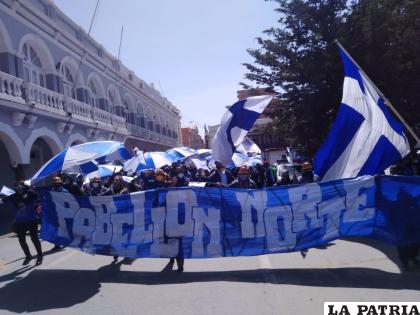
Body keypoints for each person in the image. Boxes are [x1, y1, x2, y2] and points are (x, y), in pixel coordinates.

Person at [1, 182, 43, 265]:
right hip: (20, 222)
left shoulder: (30, 193)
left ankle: (39, 256)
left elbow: (37, 196)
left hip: (31, 220)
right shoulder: (13, 196)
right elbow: (2, 200)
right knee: (21, 240)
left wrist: (34, 190)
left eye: (20, 185)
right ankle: (28, 256)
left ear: (24, 187)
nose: (18, 187)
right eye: (16, 186)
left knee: (34, 238)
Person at [390, 164, 419, 271]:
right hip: (401, 213)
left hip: (413, 212)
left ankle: (413, 256)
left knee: (415, 238)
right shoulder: (396, 178)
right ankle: (404, 260)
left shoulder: (411, 170)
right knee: (402, 239)